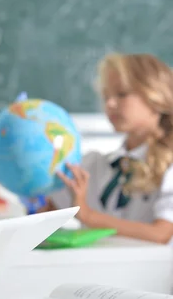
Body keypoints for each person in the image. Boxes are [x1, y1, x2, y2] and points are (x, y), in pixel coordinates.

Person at [42, 53, 173, 244]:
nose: (110, 104)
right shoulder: (94, 165)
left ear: (156, 95)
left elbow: (162, 234)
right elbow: (48, 212)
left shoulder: (169, 166)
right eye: (106, 96)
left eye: (121, 94)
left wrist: (88, 215)